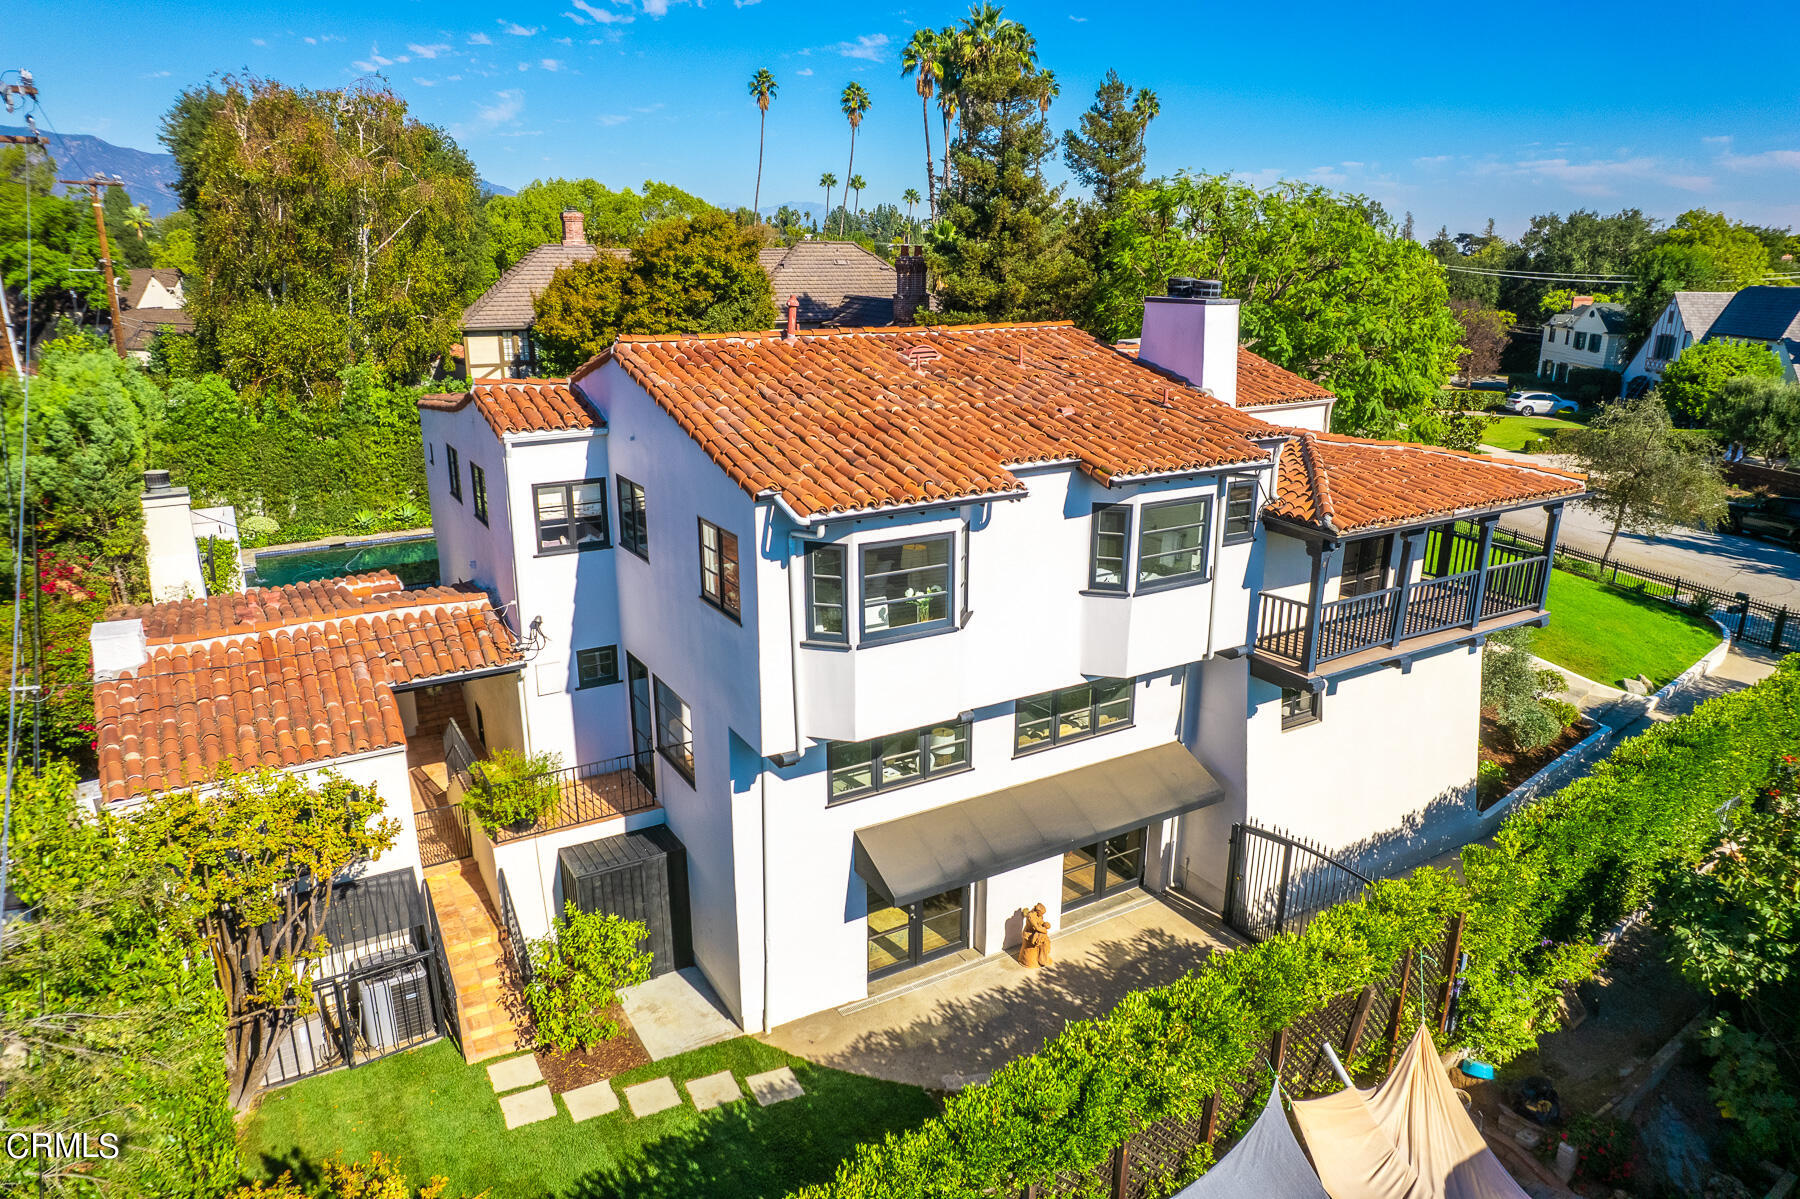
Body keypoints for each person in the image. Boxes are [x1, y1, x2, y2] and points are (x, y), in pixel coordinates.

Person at [1019, 903, 1054, 968]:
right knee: (1042, 939)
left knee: (1045, 940)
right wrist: (1045, 931)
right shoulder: (1031, 916)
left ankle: (1043, 958)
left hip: (1037, 932)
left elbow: (1041, 922)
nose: (1042, 915)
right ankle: (1041, 959)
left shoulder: (1039, 915)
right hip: (1029, 933)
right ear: (1038, 911)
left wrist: (1045, 924)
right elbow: (1037, 927)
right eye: (1042, 913)